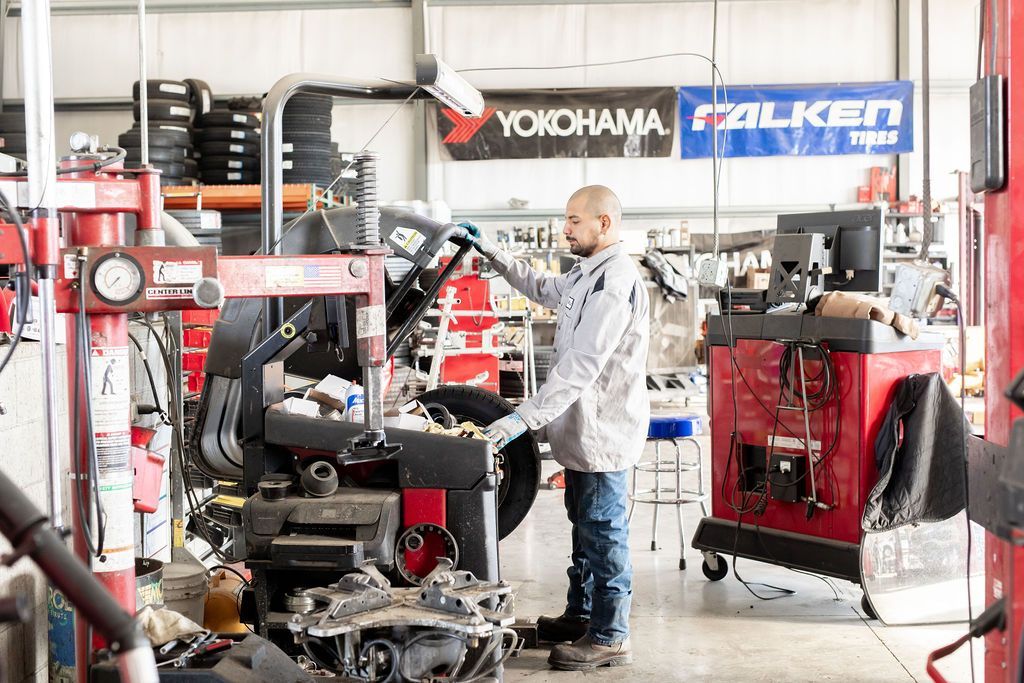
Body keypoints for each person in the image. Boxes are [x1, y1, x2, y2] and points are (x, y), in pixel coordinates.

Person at [469, 185, 650, 671]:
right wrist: (493, 252)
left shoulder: (614, 283)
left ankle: (611, 636)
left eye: (573, 220)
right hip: (580, 432)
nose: (564, 228)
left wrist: (520, 419)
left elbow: (582, 366)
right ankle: (582, 615)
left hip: (602, 434)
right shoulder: (586, 273)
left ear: (604, 223)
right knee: (583, 532)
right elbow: (543, 289)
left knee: (603, 534)